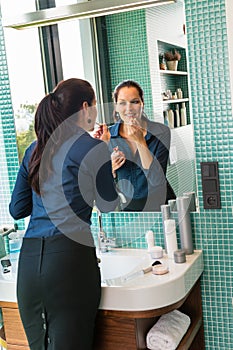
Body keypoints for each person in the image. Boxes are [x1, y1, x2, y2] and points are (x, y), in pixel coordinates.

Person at [9, 78, 119, 350]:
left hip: (30, 266)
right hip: (70, 263)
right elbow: (109, 205)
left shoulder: (34, 150)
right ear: (85, 108)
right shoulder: (92, 148)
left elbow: (17, 209)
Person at [94, 80, 173, 211]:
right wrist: (110, 169)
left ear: (142, 103)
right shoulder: (107, 136)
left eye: (134, 102)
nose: (129, 108)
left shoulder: (161, 132)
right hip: (128, 210)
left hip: (161, 207)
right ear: (116, 107)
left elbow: (157, 180)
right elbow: (100, 185)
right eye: (122, 103)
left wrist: (140, 141)